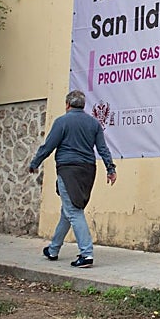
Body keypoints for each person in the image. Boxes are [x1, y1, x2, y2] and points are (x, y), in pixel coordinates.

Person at [29, 90, 117, 268]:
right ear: (83, 105)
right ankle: (53, 249)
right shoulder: (94, 123)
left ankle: (87, 254)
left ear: (67, 104)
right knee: (67, 211)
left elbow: (49, 145)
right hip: (88, 170)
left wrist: (35, 162)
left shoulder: (62, 121)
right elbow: (102, 148)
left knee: (74, 212)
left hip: (68, 170)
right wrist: (110, 168)